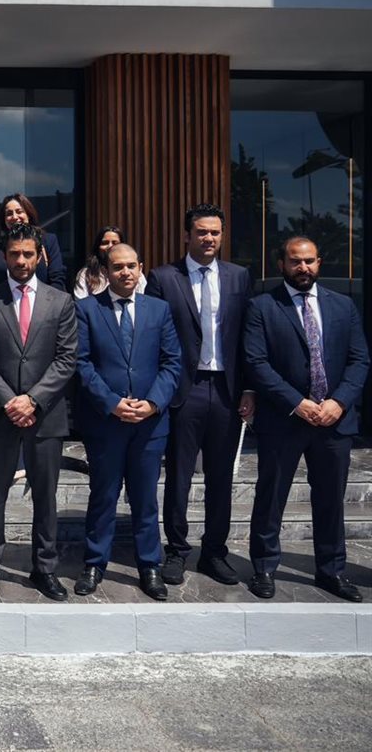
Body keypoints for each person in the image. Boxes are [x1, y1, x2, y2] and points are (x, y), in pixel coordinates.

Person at [244, 237, 369, 602]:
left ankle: (332, 571)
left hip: (334, 421)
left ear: (319, 263)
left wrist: (339, 402)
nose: (303, 268)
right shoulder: (262, 307)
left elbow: (359, 359)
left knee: (330, 500)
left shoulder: (343, 305)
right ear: (281, 264)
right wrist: (296, 403)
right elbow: (256, 363)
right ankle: (264, 568)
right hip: (284, 419)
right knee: (271, 497)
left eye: (310, 261)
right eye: (295, 261)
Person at [146, 204, 254, 587]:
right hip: (183, 390)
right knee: (178, 475)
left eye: (215, 232)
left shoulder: (239, 277)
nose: (209, 238)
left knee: (220, 477)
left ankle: (214, 553)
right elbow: (154, 337)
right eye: (202, 232)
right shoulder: (163, 277)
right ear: (187, 235)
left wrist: (249, 387)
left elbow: (247, 336)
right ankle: (176, 550)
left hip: (226, 389)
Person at [0, 224, 78, 601]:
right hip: (1, 415)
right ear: (4, 256)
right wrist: (9, 400)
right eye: (14, 254)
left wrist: (32, 399)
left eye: (28, 254)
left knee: (45, 497)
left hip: (46, 415)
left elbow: (67, 359)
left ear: (40, 256)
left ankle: (45, 568)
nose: (21, 260)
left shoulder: (60, 301)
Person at [72, 243, 180, 601]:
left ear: (141, 268)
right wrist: (112, 403)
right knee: (103, 495)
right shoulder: (87, 309)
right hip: (106, 423)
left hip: (149, 424)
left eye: (132, 266)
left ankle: (149, 565)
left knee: (145, 498)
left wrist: (152, 404)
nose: (126, 272)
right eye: (118, 267)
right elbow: (82, 364)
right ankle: (94, 563)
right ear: (106, 271)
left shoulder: (159, 309)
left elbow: (172, 362)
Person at [0, 193, 66, 291]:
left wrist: (48, 300)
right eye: (9, 213)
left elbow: (57, 278)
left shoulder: (47, 241)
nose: (14, 217)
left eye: (19, 212)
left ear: (28, 214)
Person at [72, 225, 146, 299]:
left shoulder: (135, 274)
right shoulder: (86, 273)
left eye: (115, 243)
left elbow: (142, 299)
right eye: (105, 243)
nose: (110, 246)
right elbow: (81, 301)